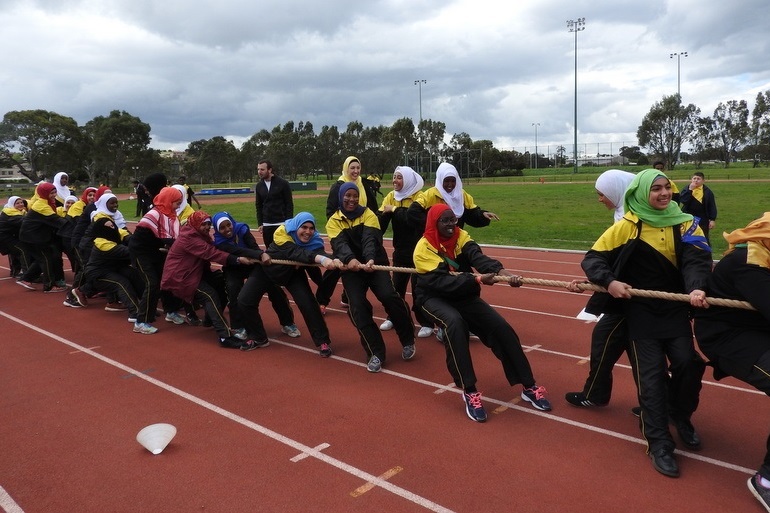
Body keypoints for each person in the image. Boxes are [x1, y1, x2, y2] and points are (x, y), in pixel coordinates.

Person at [581, 168, 711, 478]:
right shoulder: (628, 225)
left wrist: (696, 286)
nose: (664, 193)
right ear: (641, 193)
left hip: (675, 310)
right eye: (656, 189)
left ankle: (680, 417)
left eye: (667, 187)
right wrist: (609, 282)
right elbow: (592, 258)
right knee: (650, 379)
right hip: (640, 314)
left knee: (688, 365)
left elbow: (697, 260)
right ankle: (659, 444)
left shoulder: (686, 222)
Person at [412, 204, 551, 422]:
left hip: (464, 294)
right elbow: (442, 282)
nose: (451, 225)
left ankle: (528, 385)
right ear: (434, 223)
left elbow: (476, 256)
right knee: (455, 325)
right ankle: (469, 391)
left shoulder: (461, 236)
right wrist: (476, 279)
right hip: (434, 296)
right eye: (445, 221)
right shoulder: (423, 248)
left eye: (453, 220)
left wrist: (500, 271)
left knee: (501, 328)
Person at [690, 213, 770, 511]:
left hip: (757, 331)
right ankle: (767, 480)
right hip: (729, 338)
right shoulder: (750, 263)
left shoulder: (766, 255)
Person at [326, 182, 415, 372]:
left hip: (374, 263)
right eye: (347, 196)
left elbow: (370, 239)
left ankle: (407, 339)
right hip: (352, 269)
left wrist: (370, 259)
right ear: (340, 197)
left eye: (355, 196)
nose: (351, 199)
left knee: (389, 296)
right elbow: (340, 245)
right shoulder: (333, 221)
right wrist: (350, 260)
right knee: (357, 307)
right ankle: (376, 351)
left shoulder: (368, 214)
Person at [565, 169, 635, 408]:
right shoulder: (623, 216)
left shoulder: (632, 219)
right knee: (633, 354)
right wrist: (595, 282)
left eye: (602, 194)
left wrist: (601, 282)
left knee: (639, 356)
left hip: (630, 303)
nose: (600, 199)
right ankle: (596, 394)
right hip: (620, 297)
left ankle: (664, 408)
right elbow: (604, 259)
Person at [161, 210, 264, 350]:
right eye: (203, 224)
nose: (206, 227)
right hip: (181, 277)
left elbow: (213, 248)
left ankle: (209, 320)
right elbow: (211, 253)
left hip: (194, 272)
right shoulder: (189, 238)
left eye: (209, 224)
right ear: (195, 224)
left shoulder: (199, 235)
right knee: (210, 295)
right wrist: (238, 259)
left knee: (223, 282)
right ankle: (224, 336)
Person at [262, 212, 341, 357]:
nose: (308, 232)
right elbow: (296, 253)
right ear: (296, 226)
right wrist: (323, 260)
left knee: (308, 303)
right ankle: (247, 330)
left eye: (311, 228)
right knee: (246, 298)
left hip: (293, 274)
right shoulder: (282, 233)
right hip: (269, 272)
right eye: (304, 227)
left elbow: (318, 252)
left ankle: (322, 340)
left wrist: (336, 260)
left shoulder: (314, 239)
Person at [212, 211, 299, 340]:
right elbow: (236, 250)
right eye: (222, 228)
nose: (227, 229)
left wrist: (260, 255)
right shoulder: (219, 241)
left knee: (274, 288)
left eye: (228, 225)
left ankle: (287, 323)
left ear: (232, 222)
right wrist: (258, 255)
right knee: (233, 290)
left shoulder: (242, 229)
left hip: (253, 264)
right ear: (217, 229)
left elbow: (253, 246)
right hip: (233, 267)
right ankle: (238, 326)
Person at [377, 166, 433, 338]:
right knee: (396, 289)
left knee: (419, 290)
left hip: (419, 251)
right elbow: (380, 222)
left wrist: (394, 210)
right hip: (400, 250)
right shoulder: (391, 196)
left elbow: (415, 220)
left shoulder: (420, 197)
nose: (395, 181)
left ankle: (426, 322)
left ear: (408, 179)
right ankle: (394, 317)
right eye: (394, 177)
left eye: (399, 177)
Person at [129, 186, 184, 332]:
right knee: (152, 284)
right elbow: (166, 238)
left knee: (165, 281)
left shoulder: (170, 215)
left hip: (156, 252)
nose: (178, 206)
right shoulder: (153, 214)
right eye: (177, 202)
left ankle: (170, 311)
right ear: (168, 200)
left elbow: (172, 238)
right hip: (141, 253)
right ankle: (141, 322)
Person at [82, 193, 143, 326]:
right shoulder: (103, 243)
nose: (112, 227)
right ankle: (135, 313)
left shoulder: (109, 231)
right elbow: (128, 252)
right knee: (121, 283)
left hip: (111, 268)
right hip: (98, 273)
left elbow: (122, 233)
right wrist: (144, 248)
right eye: (109, 227)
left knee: (134, 275)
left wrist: (134, 239)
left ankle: (146, 305)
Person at [17, 182, 67, 292]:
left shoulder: (46, 202)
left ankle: (27, 278)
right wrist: (74, 225)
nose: (54, 195)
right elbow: (56, 220)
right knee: (46, 259)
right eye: (51, 193)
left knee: (42, 258)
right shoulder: (42, 206)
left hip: (33, 237)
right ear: (44, 193)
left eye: (55, 192)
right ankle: (49, 286)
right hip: (32, 238)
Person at [254, 159, 294, 247]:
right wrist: (260, 223)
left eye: (262, 169)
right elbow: (258, 205)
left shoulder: (283, 183)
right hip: (267, 224)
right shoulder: (259, 186)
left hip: (281, 224)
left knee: (283, 250)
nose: (259, 172)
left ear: (270, 170)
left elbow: (289, 204)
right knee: (269, 251)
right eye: (258, 169)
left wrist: (289, 222)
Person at [0, 196, 35, 278]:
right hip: (4, 238)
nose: (20, 204)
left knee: (15, 251)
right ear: (12, 204)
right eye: (17, 203)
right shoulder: (11, 214)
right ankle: (27, 275)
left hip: (11, 236)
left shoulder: (19, 212)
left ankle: (16, 271)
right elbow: (25, 223)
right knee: (23, 250)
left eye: (21, 202)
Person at [678, 172, 717, 244]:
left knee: (703, 235)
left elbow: (712, 206)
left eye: (698, 179)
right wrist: (690, 190)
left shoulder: (708, 192)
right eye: (694, 178)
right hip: (688, 216)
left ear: (703, 181)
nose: (696, 180)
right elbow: (683, 200)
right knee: (687, 234)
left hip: (702, 218)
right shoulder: (687, 189)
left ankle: (704, 250)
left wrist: (712, 219)